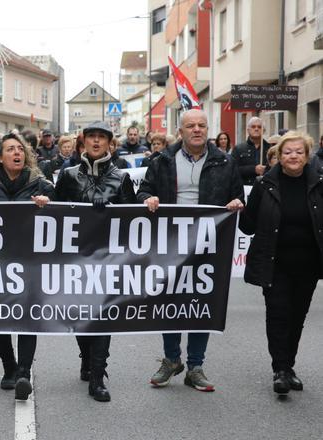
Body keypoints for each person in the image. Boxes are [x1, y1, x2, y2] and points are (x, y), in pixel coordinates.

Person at [138, 109, 244, 392]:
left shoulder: (225, 161)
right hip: (170, 242)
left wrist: (235, 203)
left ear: (207, 129)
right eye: (191, 126)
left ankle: (195, 366)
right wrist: (149, 199)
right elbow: (143, 192)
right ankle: (172, 359)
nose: (197, 130)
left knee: (201, 301)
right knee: (169, 299)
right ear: (180, 130)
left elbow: (238, 195)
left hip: (209, 242)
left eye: (202, 125)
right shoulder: (161, 160)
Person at [55, 121, 137, 402]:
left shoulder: (121, 177)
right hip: (76, 257)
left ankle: (99, 376)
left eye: (102, 138)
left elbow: (132, 220)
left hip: (108, 258)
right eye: (92, 137)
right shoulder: (68, 176)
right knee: (80, 314)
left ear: (110, 144)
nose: (97, 142)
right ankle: (86, 357)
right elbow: (57, 214)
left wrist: (113, 210)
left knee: (103, 316)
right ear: (83, 143)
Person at [239, 131, 323, 395]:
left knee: (297, 316)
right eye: (288, 152)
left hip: (308, 265)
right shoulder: (265, 185)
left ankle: (289, 367)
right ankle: (280, 370)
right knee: (278, 315)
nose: (293, 156)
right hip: (274, 264)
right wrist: (240, 208)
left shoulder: (320, 184)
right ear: (278, 157)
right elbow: (247, 226)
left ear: (307, 156)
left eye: (299, 152)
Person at [0, 132, 53, 400]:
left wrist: (47, 206)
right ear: (0, 156)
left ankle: (23, 373)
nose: (16, 153)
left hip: (29, 262)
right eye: (10, 149)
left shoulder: (41, 184)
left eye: (20, 149)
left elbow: (64, 216)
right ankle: (9, 365)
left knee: (28, 316)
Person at [232, 117, 271, 185]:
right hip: (245, 187)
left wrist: (266, 170)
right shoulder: (238, 149)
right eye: (253, 127)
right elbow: (233, 170)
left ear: (263, 130)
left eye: (259, 127)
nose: (256, 129)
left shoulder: (270, 148)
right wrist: (253, 169)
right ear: (248, 130)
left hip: (265, 187)